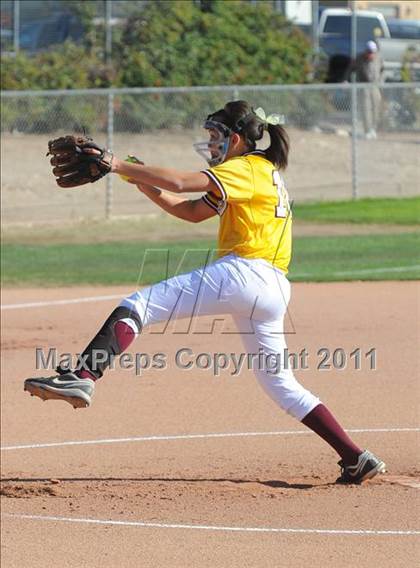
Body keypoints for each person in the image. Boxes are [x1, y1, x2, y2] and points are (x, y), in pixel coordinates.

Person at [24, 100, 386, 483]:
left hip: (245, 273)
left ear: (236, 138)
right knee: (280, 384)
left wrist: (116, 163)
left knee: (138, 305)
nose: (211, 145)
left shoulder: (245, 168)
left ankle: (84, 374)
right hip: (273, 286)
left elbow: (181, 182)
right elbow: (191, 211)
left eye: (215, 137)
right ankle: (354, 456)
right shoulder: (256, 172)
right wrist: (138, 178)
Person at [353, 40, 384, 139]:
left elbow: (383, 69)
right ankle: (367, 130)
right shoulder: (360, 58)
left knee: (376, 108)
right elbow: (351, 68)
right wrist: (345, 79)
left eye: (373, 52)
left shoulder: (379, 58)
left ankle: (373, 129)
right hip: (364, 86)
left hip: (375, 86)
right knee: (366, 108)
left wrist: (381, 81)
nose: (371, 54)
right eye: (369, 52)